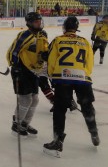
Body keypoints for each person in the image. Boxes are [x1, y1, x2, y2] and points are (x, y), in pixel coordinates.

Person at [43, 16, 100, 158]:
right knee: (87, 106)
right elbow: (90, 63)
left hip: (62, 79)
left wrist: (52, 77)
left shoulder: (57, 40)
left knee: (60, 109)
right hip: (82, 78)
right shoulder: (85, 41)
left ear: (64, 27)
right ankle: (94, 133)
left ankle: (58, 140)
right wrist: (84, 76)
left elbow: (51, 61)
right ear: (76, 28)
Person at [6, 12, 49, 136]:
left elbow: (44, 50)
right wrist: (15, 66)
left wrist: (46, 55)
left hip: (34, 71)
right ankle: (17, 124)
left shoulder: (43, 35)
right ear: (29, 23)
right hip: (22, 70)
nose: (39, 23)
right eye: (36, 21)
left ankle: (25, 123)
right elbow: (13, 51)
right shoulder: (25, 35)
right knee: (25, 99)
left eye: (40, 21)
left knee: (35, 99)